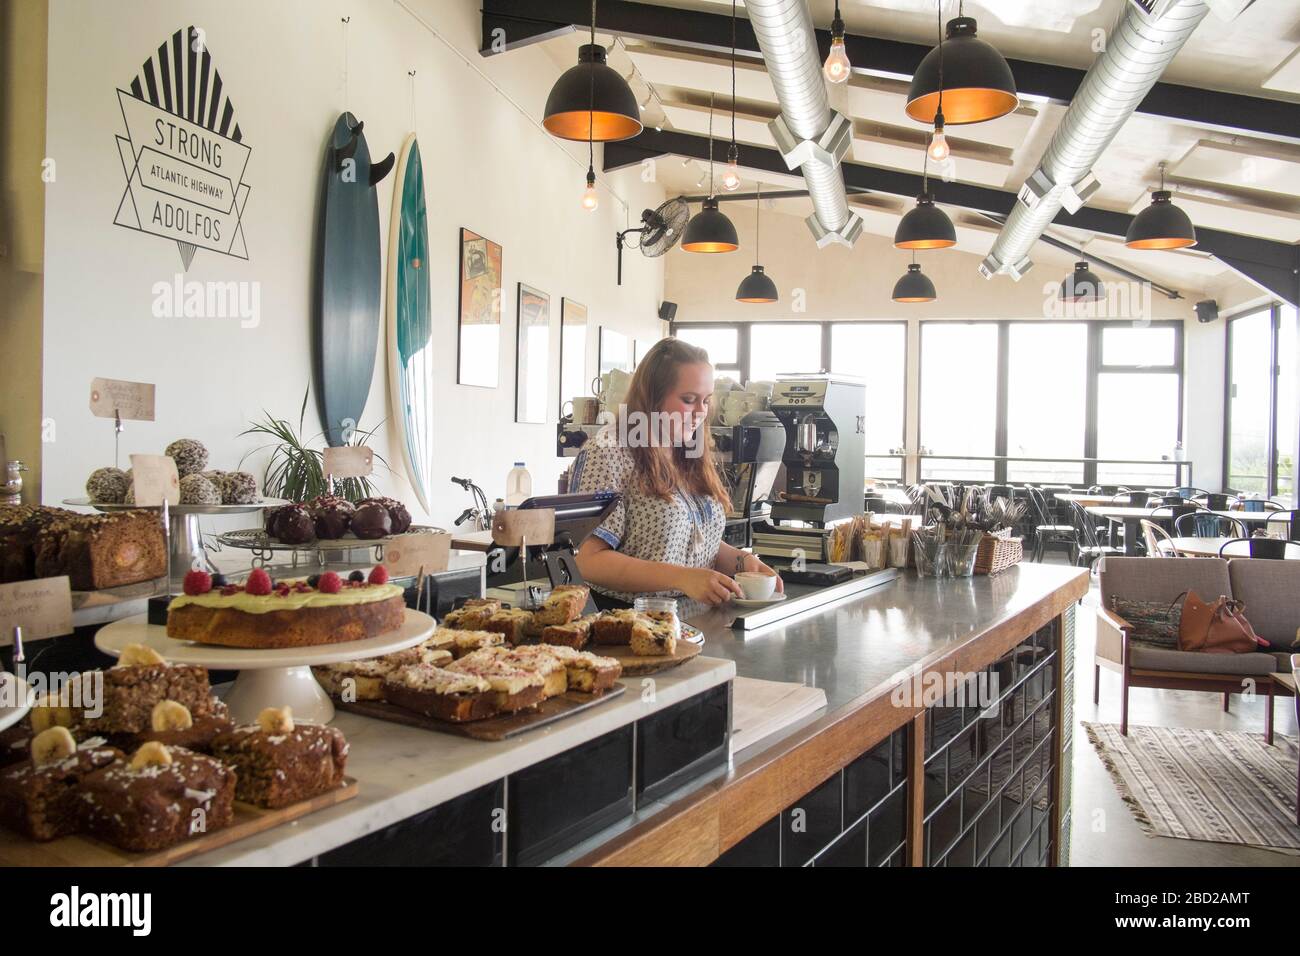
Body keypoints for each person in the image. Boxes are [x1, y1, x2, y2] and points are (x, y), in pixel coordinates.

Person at [569, 337, 783, 608]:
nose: (700, 412)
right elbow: (588, 560)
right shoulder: (608, 452)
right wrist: (681, 578)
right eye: (688, 400)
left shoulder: (686, 451)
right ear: (651, 398)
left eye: (705, 401)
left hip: (687, 618)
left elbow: (688, 546)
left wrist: (742, 561)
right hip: (624, 623)